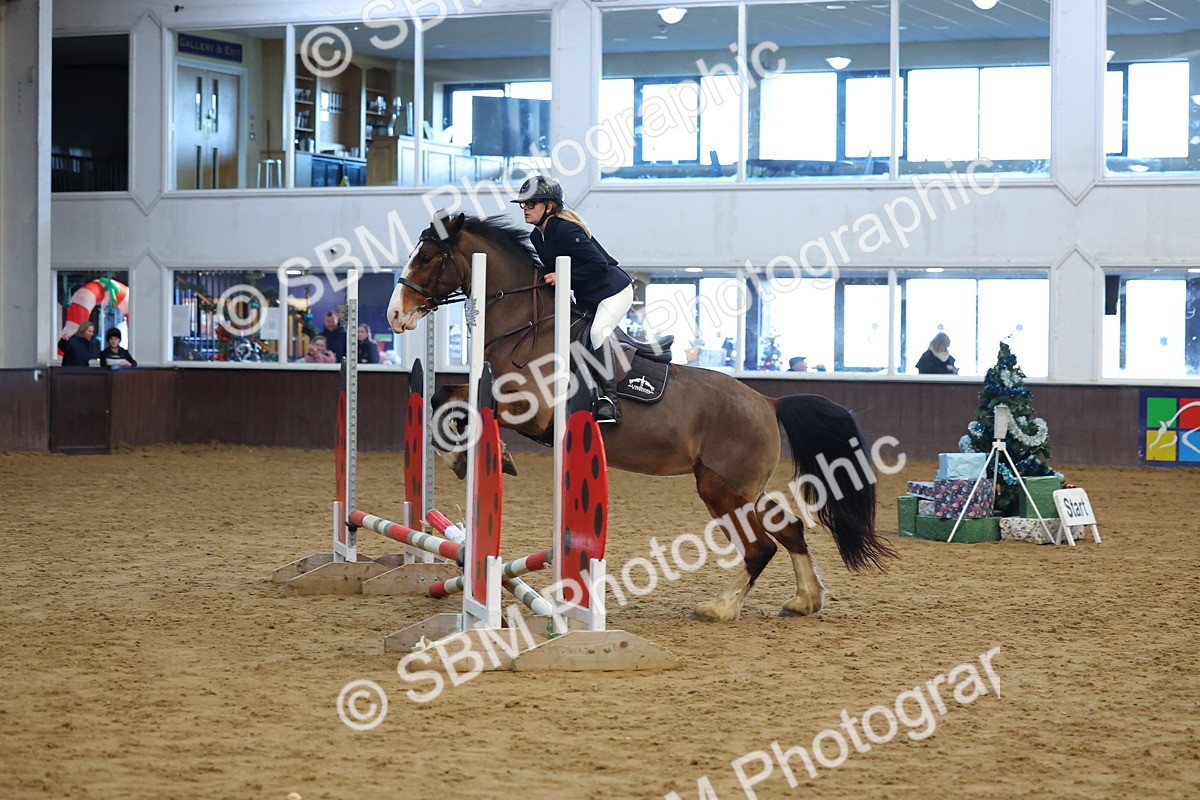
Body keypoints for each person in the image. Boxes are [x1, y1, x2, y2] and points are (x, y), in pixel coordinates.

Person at [511, 175, 632, 424]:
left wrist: (563, 276)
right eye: (523, 204)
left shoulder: (565, 229)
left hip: (614, 292)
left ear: (549, 207)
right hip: (588, 296)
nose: (525, 208)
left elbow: (598, 265)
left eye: (531, 203)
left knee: (598, 332)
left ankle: (609, 401)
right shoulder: (537, 236)